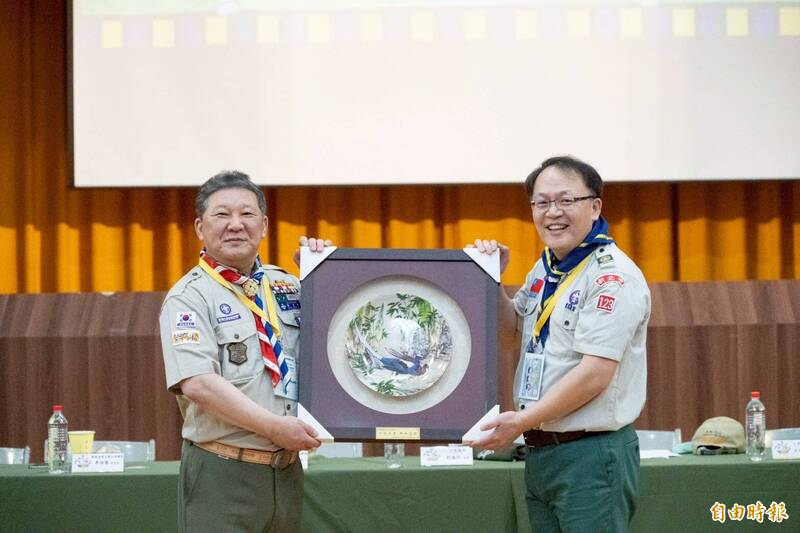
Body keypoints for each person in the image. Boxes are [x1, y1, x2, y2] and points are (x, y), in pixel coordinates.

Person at [472, 155, 650, 532]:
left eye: (566, 200)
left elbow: (595, 374)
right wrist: (489, 280)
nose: (553, 212)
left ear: (595, 206)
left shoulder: (611, 277)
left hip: (590, 455)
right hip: (543, 453)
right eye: (542, 202)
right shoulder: (547, 268)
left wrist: (520, 421)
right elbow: (512, 334)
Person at [159, 170, 331, 532]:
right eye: (222, 215)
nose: (235, 224)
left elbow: (340, 344)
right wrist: (273, 427)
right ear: (199, 227)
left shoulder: (288, 283)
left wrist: (324, 275)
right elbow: (199, 385)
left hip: (286, 473)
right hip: (222, 472)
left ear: (264, 225)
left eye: (247, 214)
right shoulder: (189, 297)